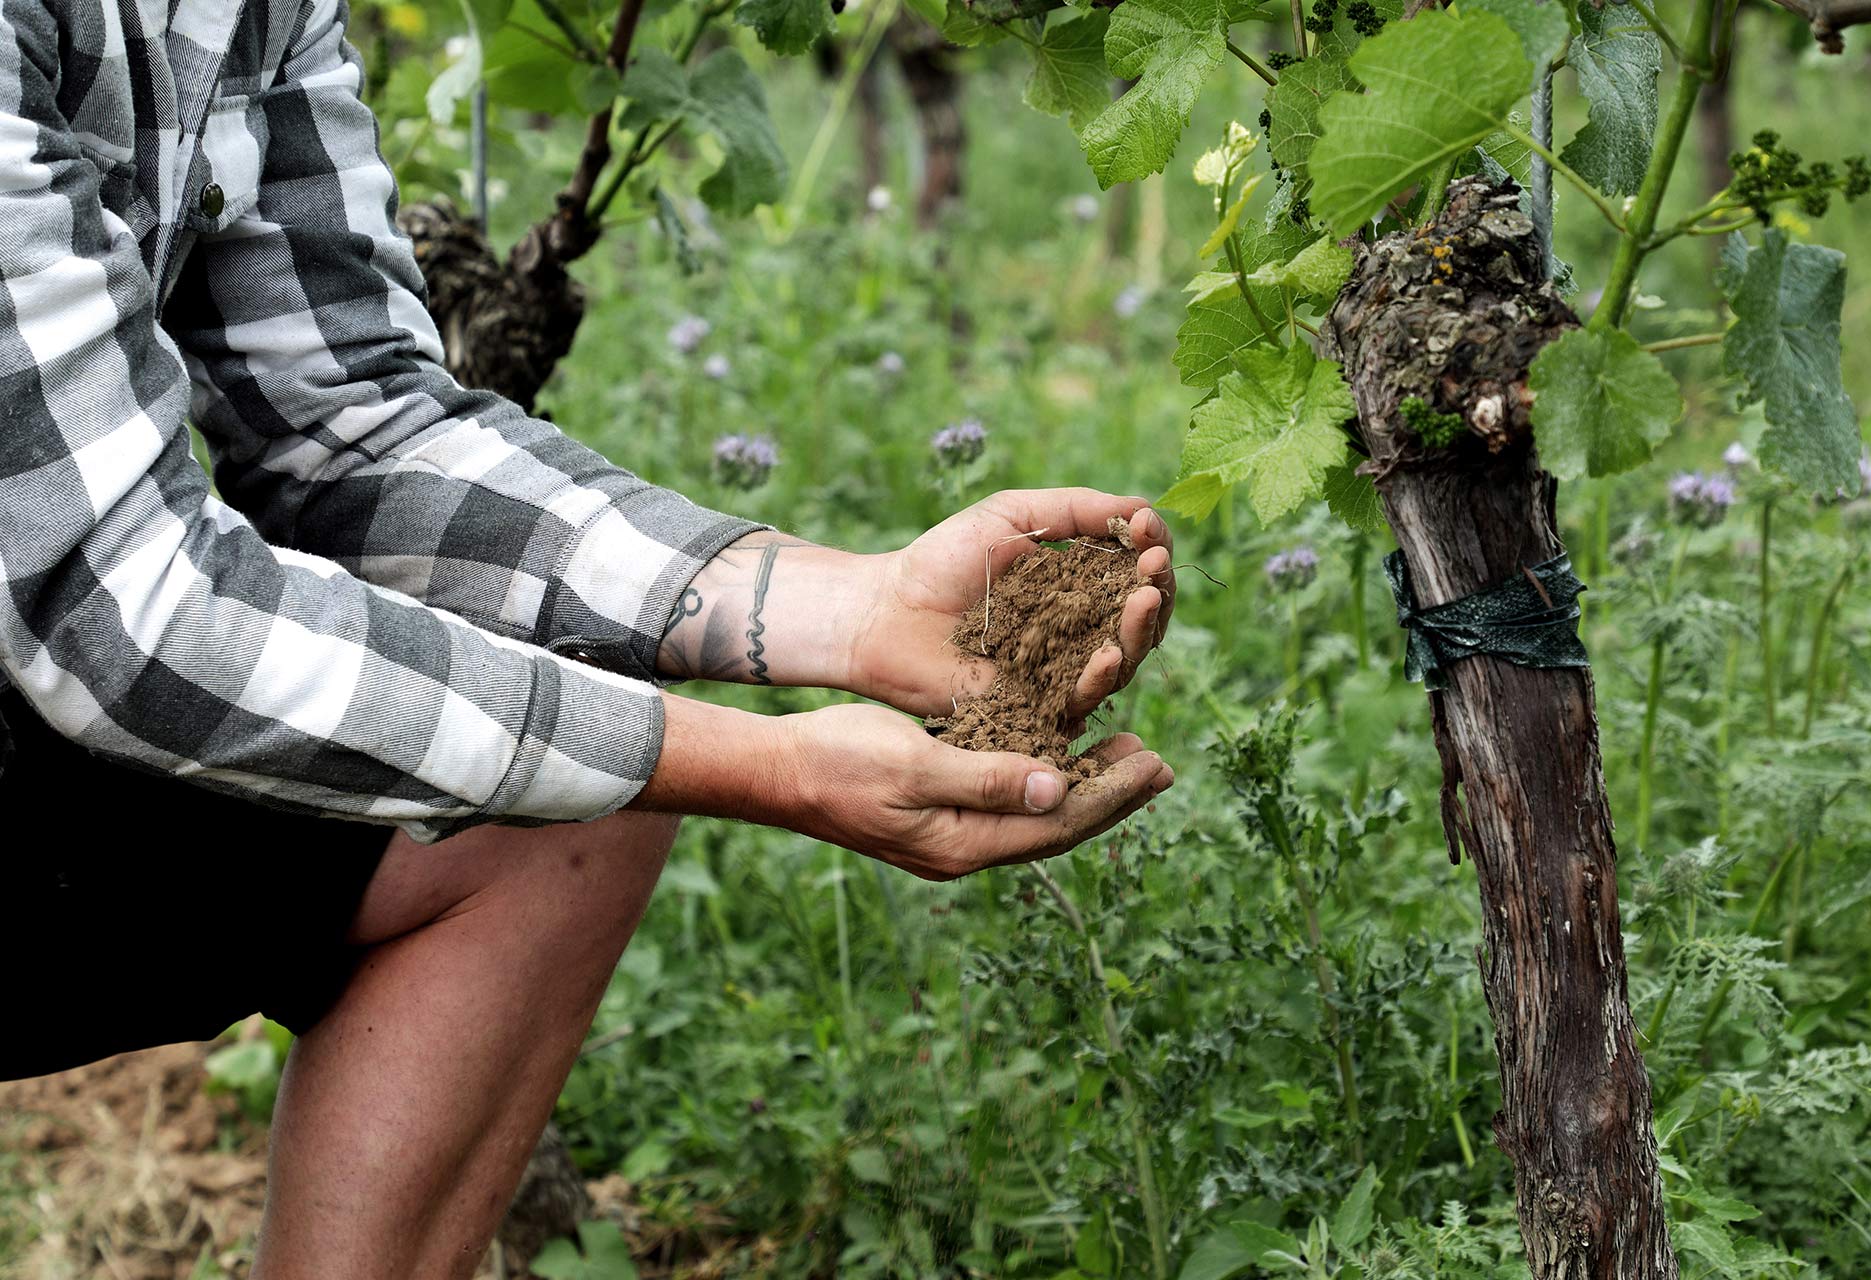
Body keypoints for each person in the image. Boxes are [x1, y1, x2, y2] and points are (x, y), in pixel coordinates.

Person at [0, 0, 1176, 1273]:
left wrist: (840, 603)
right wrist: (770, 765)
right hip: (70, 645)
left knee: (565, 806)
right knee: (599, 747)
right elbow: (127, 608)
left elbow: (346, 418)